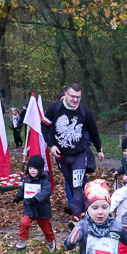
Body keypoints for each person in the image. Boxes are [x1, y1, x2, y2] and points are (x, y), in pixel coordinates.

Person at [43, 83, 104, 220]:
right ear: (66, 94)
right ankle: (86, 210)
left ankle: (77, 218)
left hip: (79, 154)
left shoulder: (84, 111)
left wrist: (99, 149)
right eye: (72, 97)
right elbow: (45, 127)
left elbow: (94, 131)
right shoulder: (55, 108)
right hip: (62, 156)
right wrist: (51, 146)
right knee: (71, 184)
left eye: (78, 97)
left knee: (77, 185)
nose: (75, 100)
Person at [13, 154, 55, 252]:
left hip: (42, 208)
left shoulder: (45, 180)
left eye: (35, 168)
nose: (32, 170)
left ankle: (50, 241)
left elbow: (46, 191)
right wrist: (17, 197)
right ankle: (22, 240)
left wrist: (36, 198)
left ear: (40, 169)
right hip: (29, 207)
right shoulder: (27, 179)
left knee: (47, 229)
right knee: (24, 222)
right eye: (30, 168)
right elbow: (23, 190)